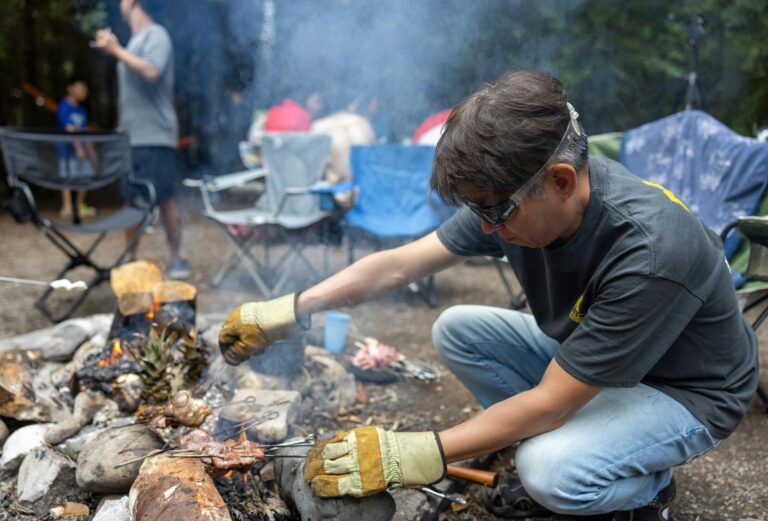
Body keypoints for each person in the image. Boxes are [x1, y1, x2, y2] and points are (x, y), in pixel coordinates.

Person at [216, 71, 758, 520]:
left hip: (685, 391)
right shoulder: (517, 195)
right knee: (457, 328)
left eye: (495, 212)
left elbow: (550, 401)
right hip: (603, 362)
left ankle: (649, 489)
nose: (488, 229)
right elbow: (402, 263)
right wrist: (291, 308)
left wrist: (420, 451)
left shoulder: (651, 252)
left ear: (563, 181)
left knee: (549, 471)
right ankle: (585, 438)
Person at [93, 0, 190, 280]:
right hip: (133, 136)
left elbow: (151, 71)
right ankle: (132, 260)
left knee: (165, 198)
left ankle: (176, 257)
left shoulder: (155, 34)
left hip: (156, 134)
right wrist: (118, 49)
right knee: (132, 197)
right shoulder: (135, 40)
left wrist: (116, 50)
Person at [56, 77, 97, 219]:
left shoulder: (82, 110)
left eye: (85, 89)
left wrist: (92, 155)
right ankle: (66, 207)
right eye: (81, 88)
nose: (84, 91)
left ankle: (78, 206)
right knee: (68, 178)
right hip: (66, 150)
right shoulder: (64, 106)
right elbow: (69, 128)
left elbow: (85, 132)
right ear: (70, 88)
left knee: (85, 177)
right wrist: (78, 147)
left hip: (82, 150)